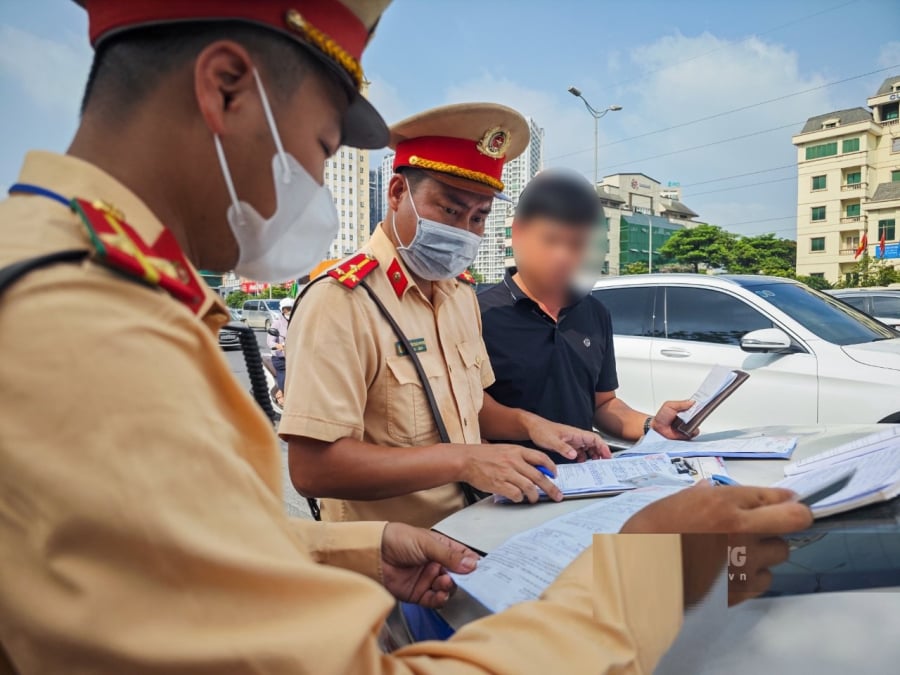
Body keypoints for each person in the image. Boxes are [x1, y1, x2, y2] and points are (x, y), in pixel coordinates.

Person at [0, 2, 813, 673]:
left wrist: (359, 543)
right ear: (225, 90)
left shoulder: (101, 291)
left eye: (479, 215)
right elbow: (301, 478)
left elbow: (190, 549)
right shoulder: (88, 332)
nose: (316, 185)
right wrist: (647, 569)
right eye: (318, 150)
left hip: (450, 548)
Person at [280, 103, 612, 528]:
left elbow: (473, 407)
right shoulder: (342, 302)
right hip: (391, 560)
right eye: (450, 210)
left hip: (470, 533)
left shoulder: (460, 297)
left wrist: (535, 425)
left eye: (479, 217)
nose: (464, 232)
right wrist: (462, 460)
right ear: (397, 192)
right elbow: (313, 470)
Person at [479, 169, 695, 462]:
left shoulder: (595, 314)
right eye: (551, 241)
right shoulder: (481, 314)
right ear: (518, 234)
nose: (564, 256)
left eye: (577, 244)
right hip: (511, 488)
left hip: (584, 480)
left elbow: (603, 405)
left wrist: (651, 425)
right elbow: (469, 413)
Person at [267, 296, 293, 404]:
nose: (289, 311)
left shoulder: (297, 322)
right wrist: (279, 346)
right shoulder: (277, 323)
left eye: (292, 308)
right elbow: (270, 342)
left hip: (294, 356)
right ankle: (281, 393)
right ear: (282, 310)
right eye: (287, 309)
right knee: (284, 372)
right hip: (280, 357)